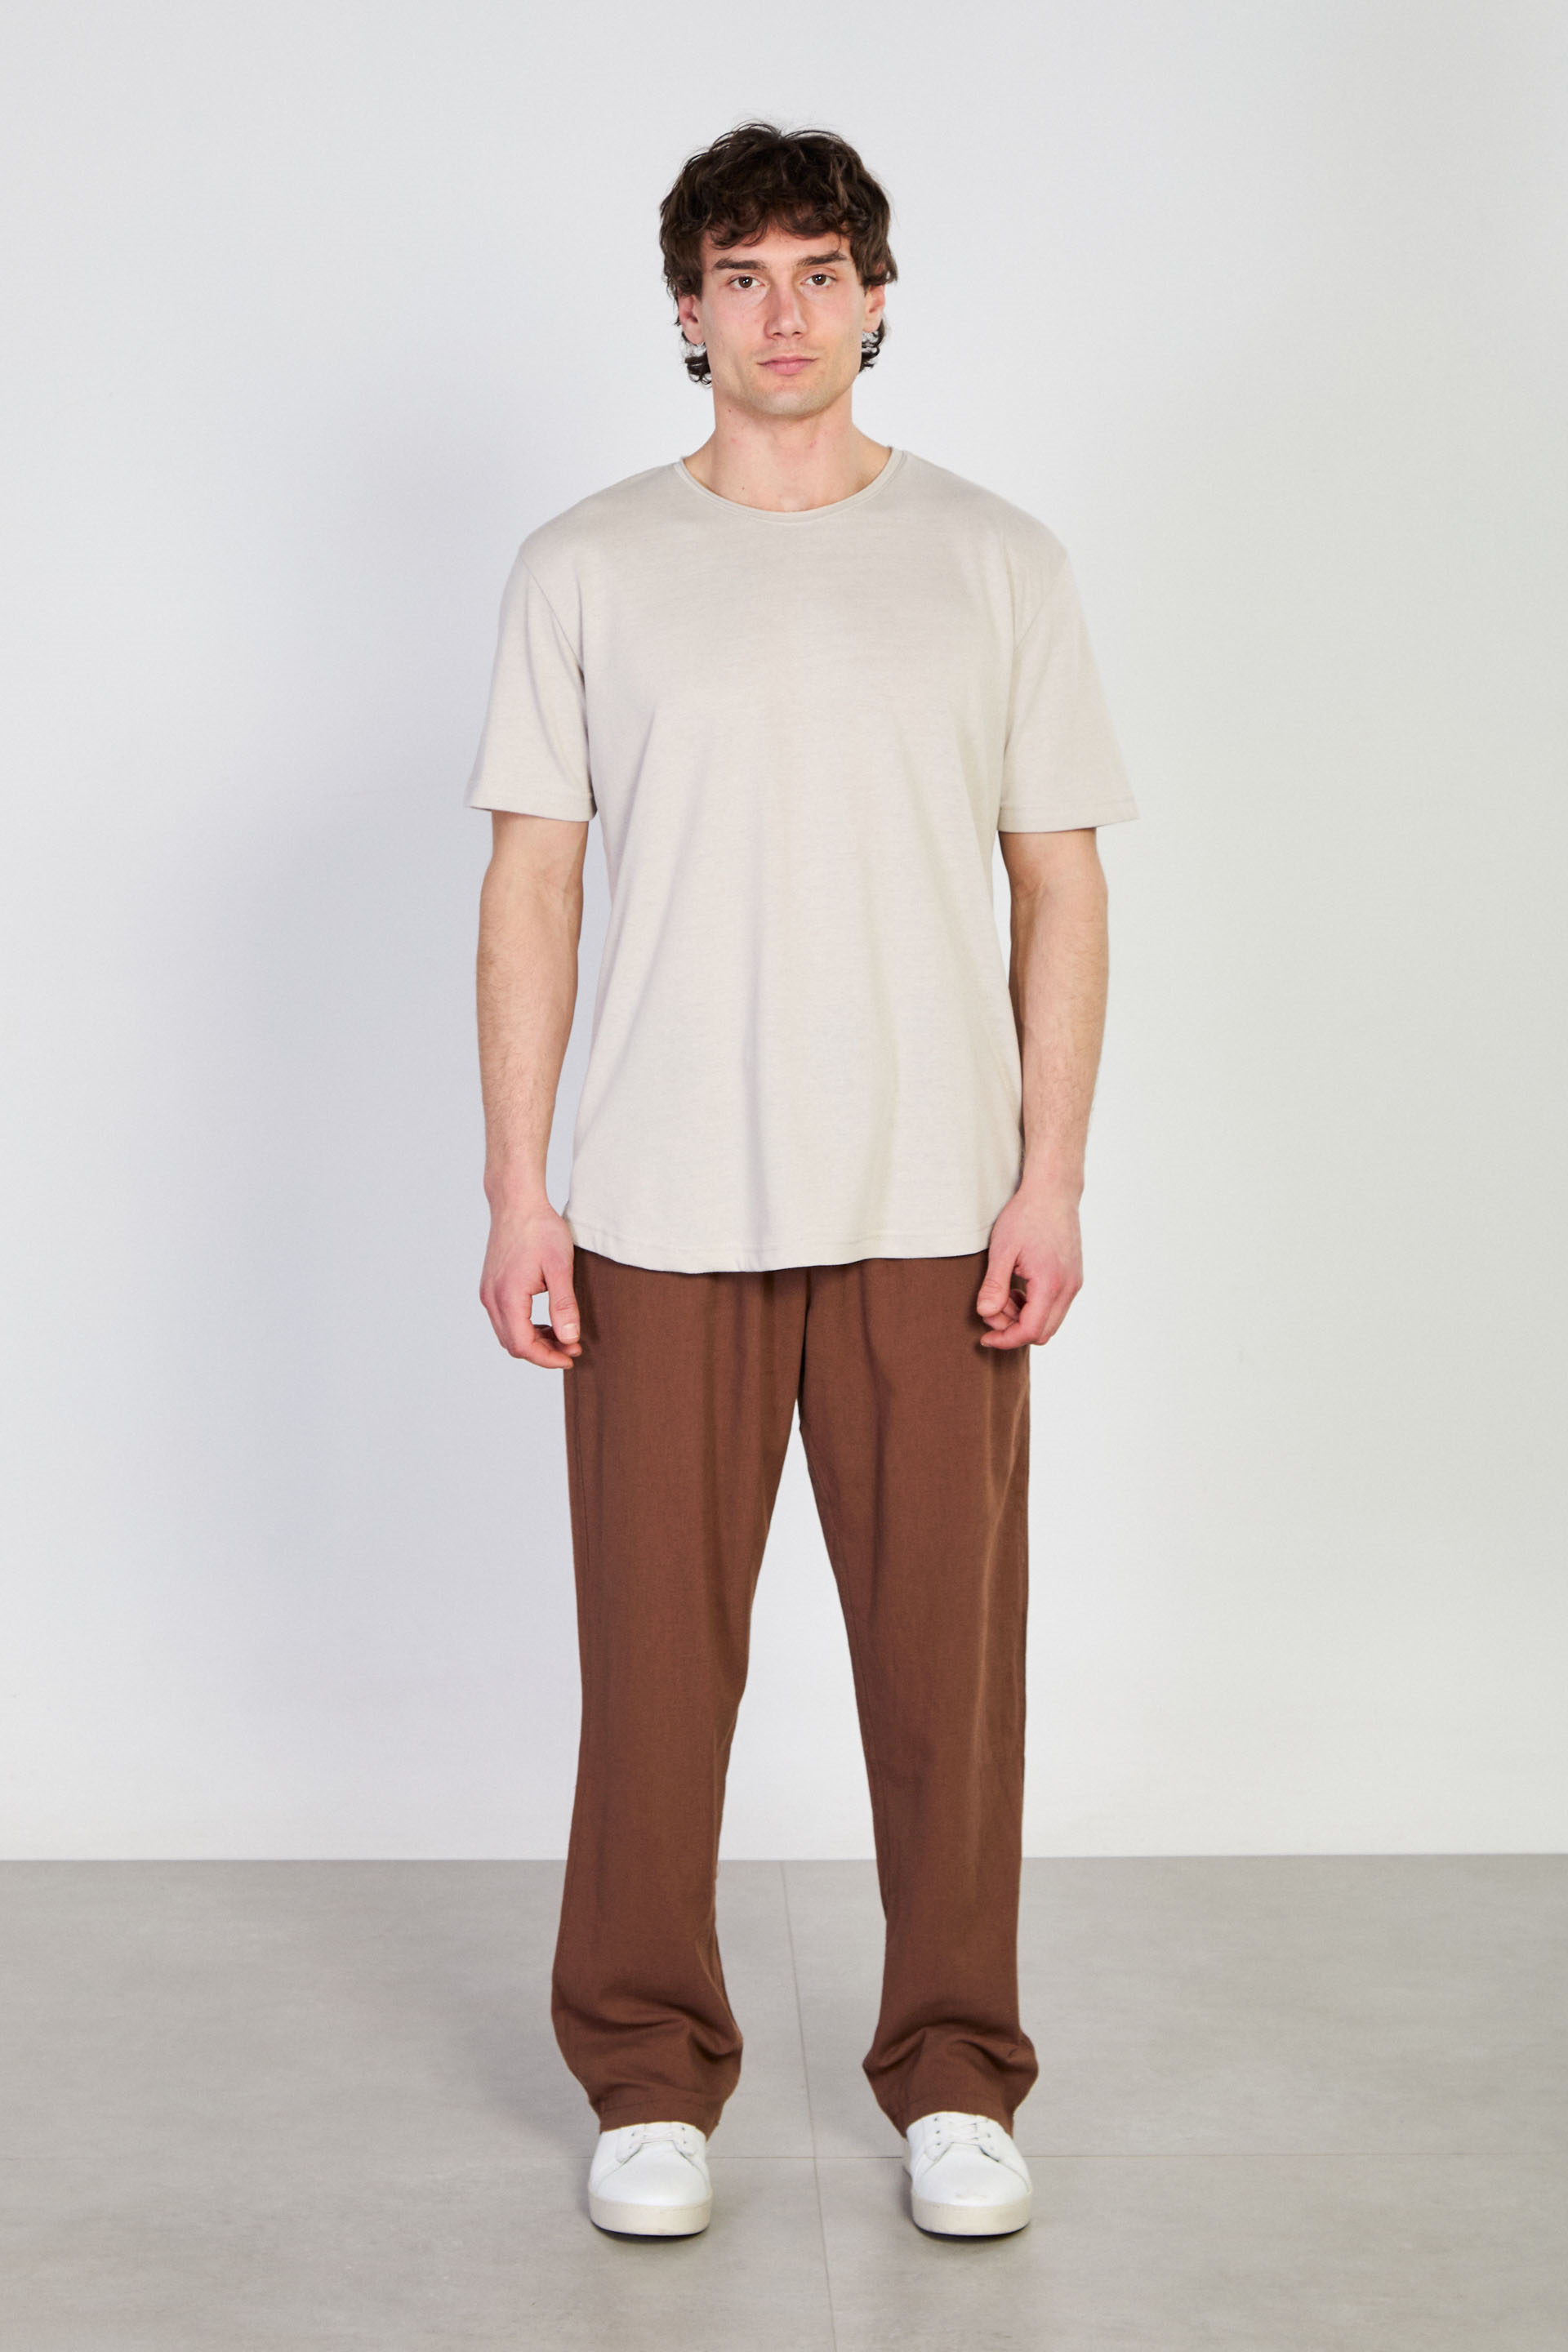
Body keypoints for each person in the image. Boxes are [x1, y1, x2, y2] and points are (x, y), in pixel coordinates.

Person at [466, 121, 1137, 2241]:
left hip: (934, 1208)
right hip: (658, 1209)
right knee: (655, 1677)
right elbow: (532, 887)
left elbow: (1061, 885)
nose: (783, 311)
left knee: (948, 1675)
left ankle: (957, 2076)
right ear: (686, 308)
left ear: (876, 297)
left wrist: (1051, 1177)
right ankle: (648, 2076)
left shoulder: (996, 559)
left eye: (820, 270)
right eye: (741, 274)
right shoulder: (587, 565)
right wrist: (519, 1190)